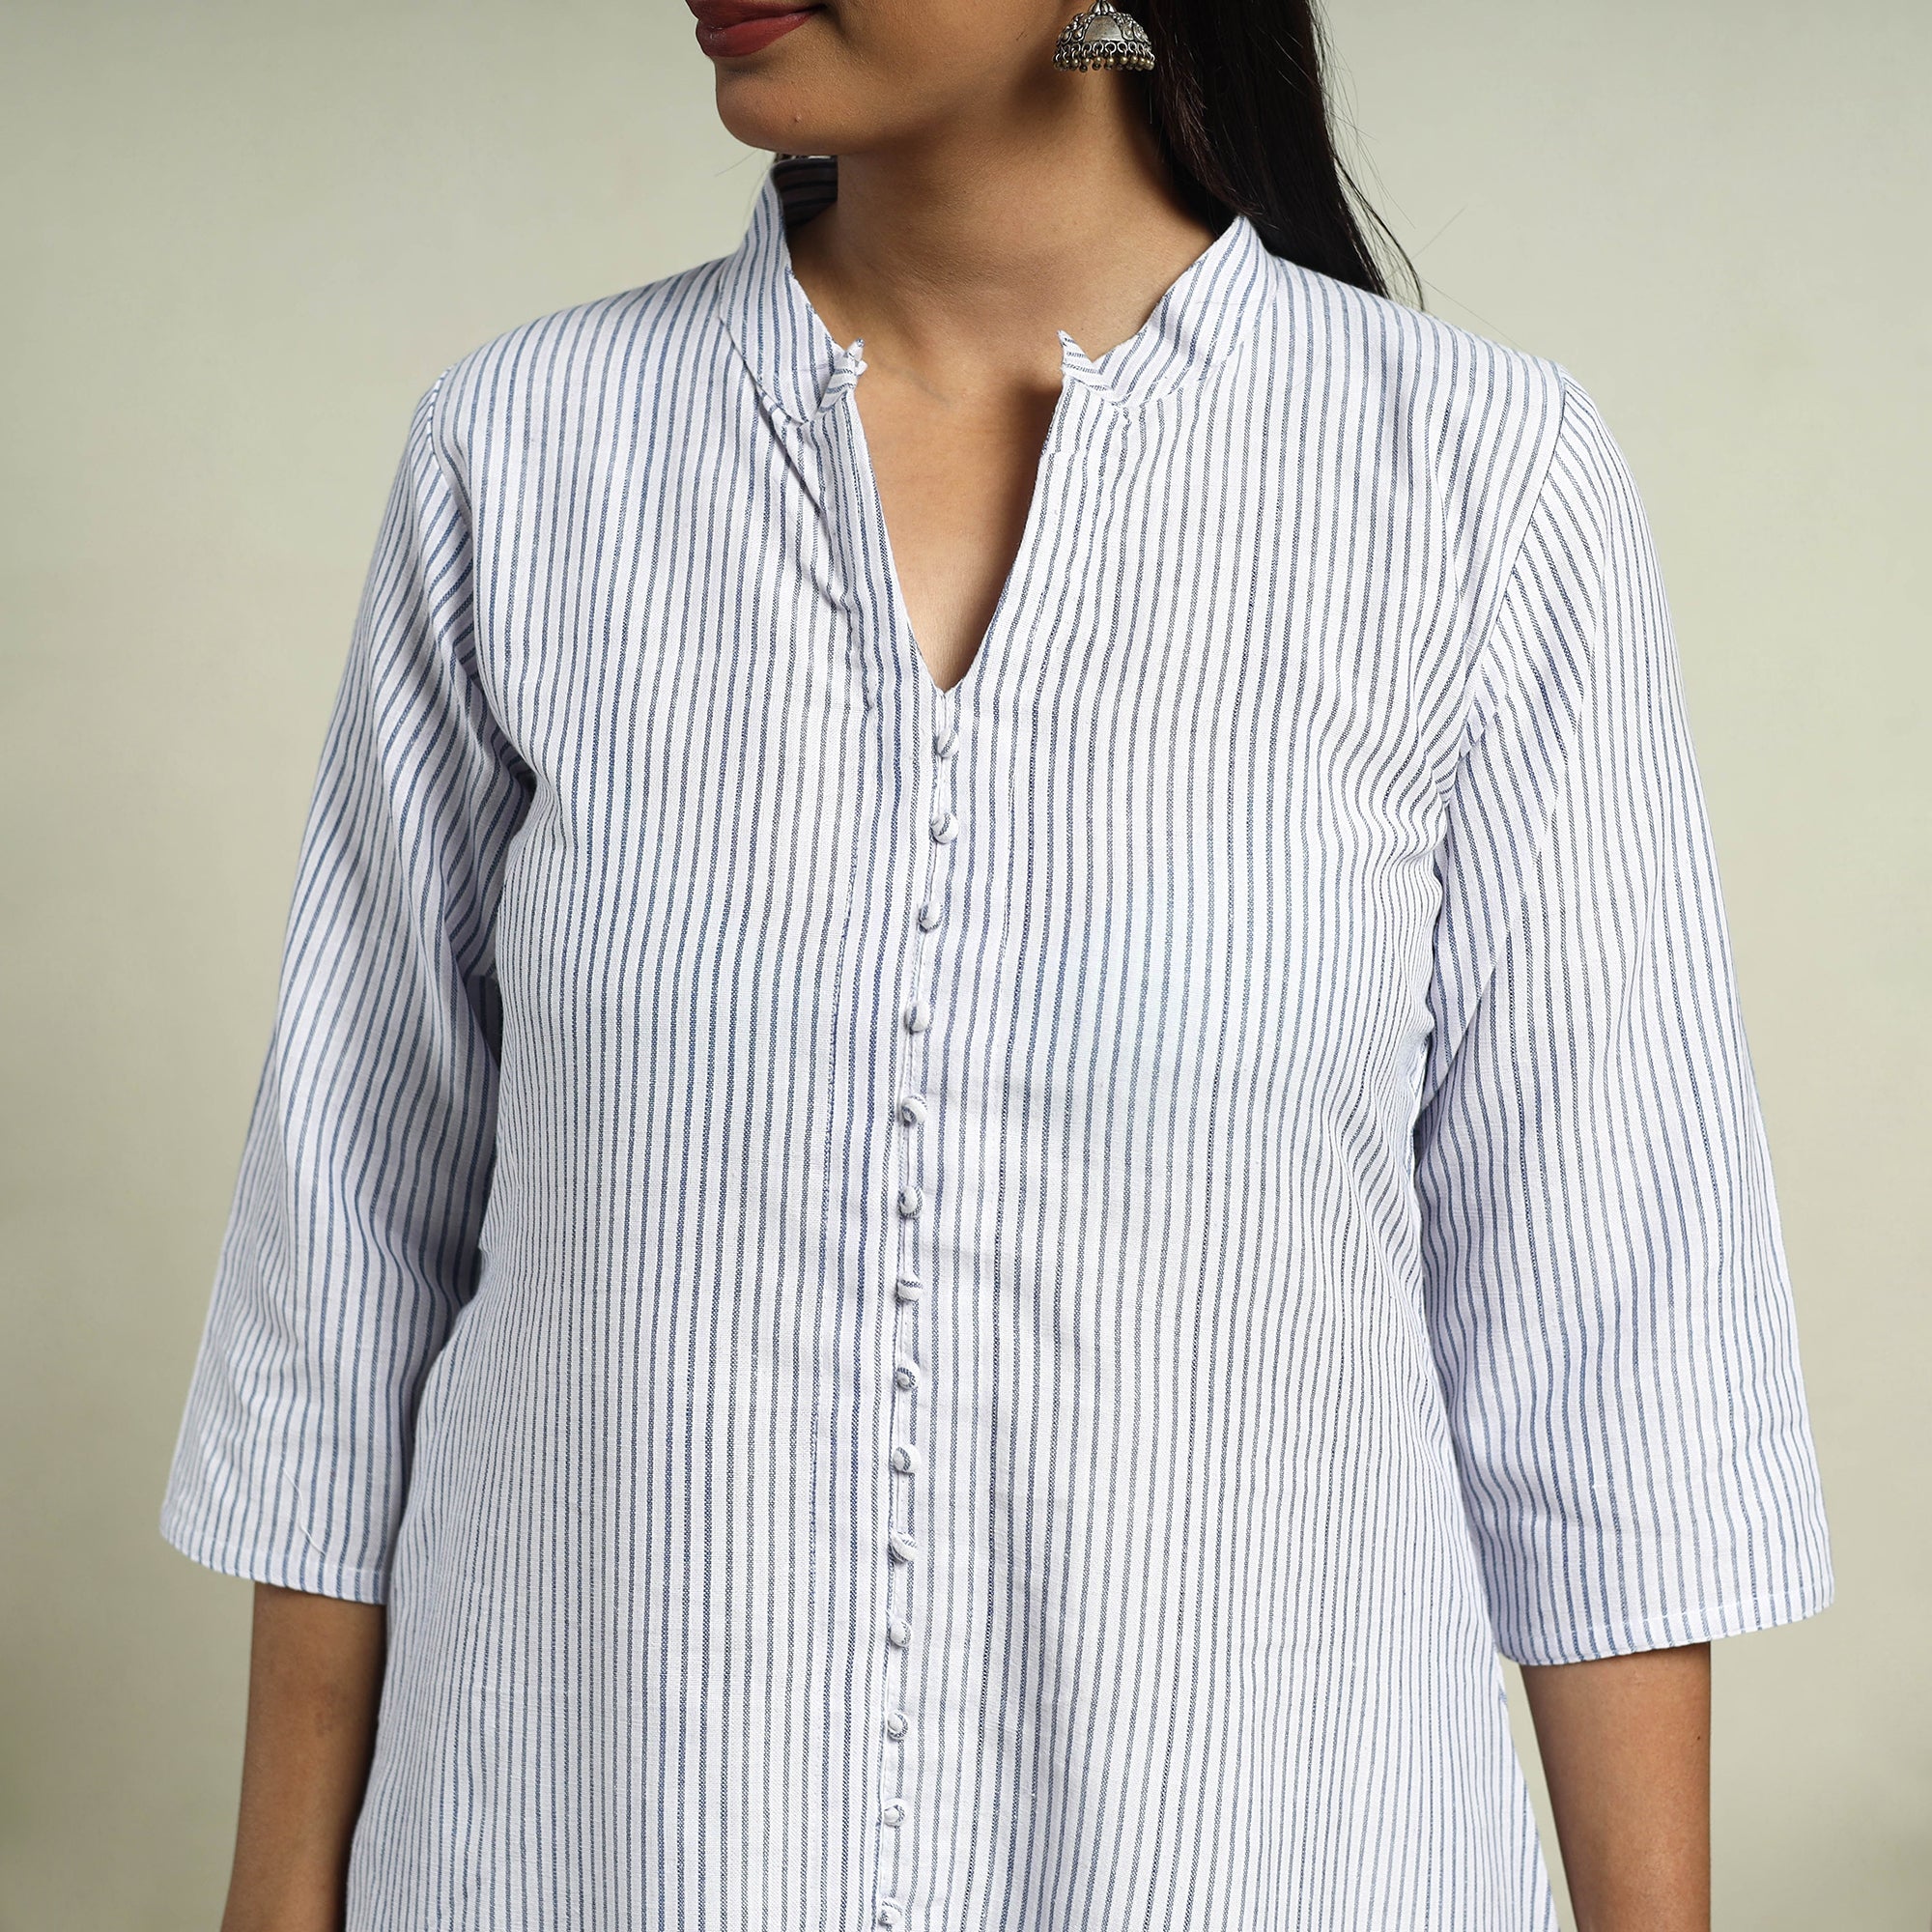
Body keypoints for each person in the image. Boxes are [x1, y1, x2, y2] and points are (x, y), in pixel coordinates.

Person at [159, 2, 1836, 1927]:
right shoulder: (523, 460)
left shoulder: (1476, 488)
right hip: (592, 1850)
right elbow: (344, 1275)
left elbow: (1611, 1350)